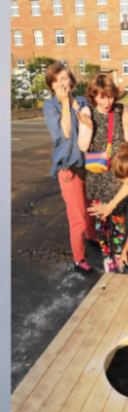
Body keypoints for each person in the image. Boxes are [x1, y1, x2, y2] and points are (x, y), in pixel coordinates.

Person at [41, 63, 99, 275]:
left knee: (92, 208)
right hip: (69, 168)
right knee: (78, 217)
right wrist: (66, 104)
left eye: (64, 78)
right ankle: (79, 260)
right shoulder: (51, 106)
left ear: (72, 81)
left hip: (90, 165)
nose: (61, 83)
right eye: (55, 80)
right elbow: (64, 133)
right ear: (51, 86)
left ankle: (92, 237)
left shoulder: (84, 101)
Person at [77, 73, 128, 273]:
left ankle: (118, 255)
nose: (107, 102)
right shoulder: (87, 111)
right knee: (103, 219)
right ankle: (107, 257)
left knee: (119, 218)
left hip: (118, 174)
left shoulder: (121, 110)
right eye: (101, 97)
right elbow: (83, 146)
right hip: (98, 175)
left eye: (109, 96)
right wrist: (88, 128)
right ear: (93, 96)